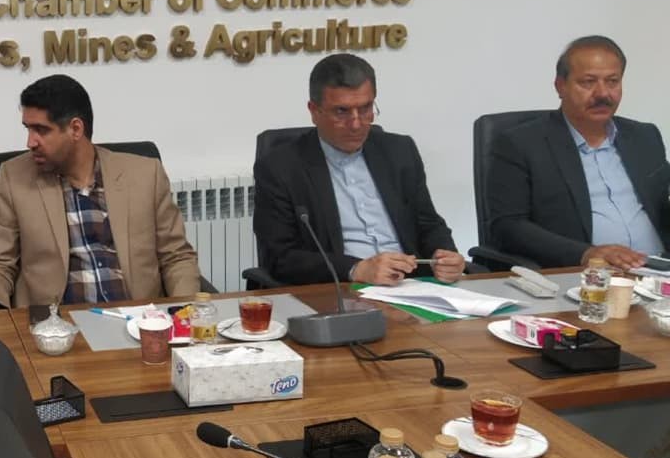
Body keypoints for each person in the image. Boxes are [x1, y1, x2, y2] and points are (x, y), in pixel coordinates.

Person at [0, 75, 200, 311]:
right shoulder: (14, 177)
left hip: (139, 320)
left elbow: (176, 257)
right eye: (28, 129)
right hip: (56, 325)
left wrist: (183, 313)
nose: (30, 142)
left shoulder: (145, 174)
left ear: (75, 129)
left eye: (41, 130)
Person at [253, 54, 464, 287]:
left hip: (412, 286)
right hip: (341, 289)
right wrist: (356, 269)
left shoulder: (400, 151)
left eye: (365, 109)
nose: (356, 124)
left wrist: (445, 255)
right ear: (314, 111)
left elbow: (429, 224)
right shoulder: (281, 167)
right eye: (341, 111)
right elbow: (280, 257)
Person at [487, 36, 670, 269]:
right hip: (588, 275)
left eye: (612, 81)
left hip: (659, 271)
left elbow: (661, 206)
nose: (603, 93)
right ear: (560, 86)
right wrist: (586, 253)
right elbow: (508, 226)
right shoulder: (521, 143)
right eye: (588, 82)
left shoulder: (644, 137)